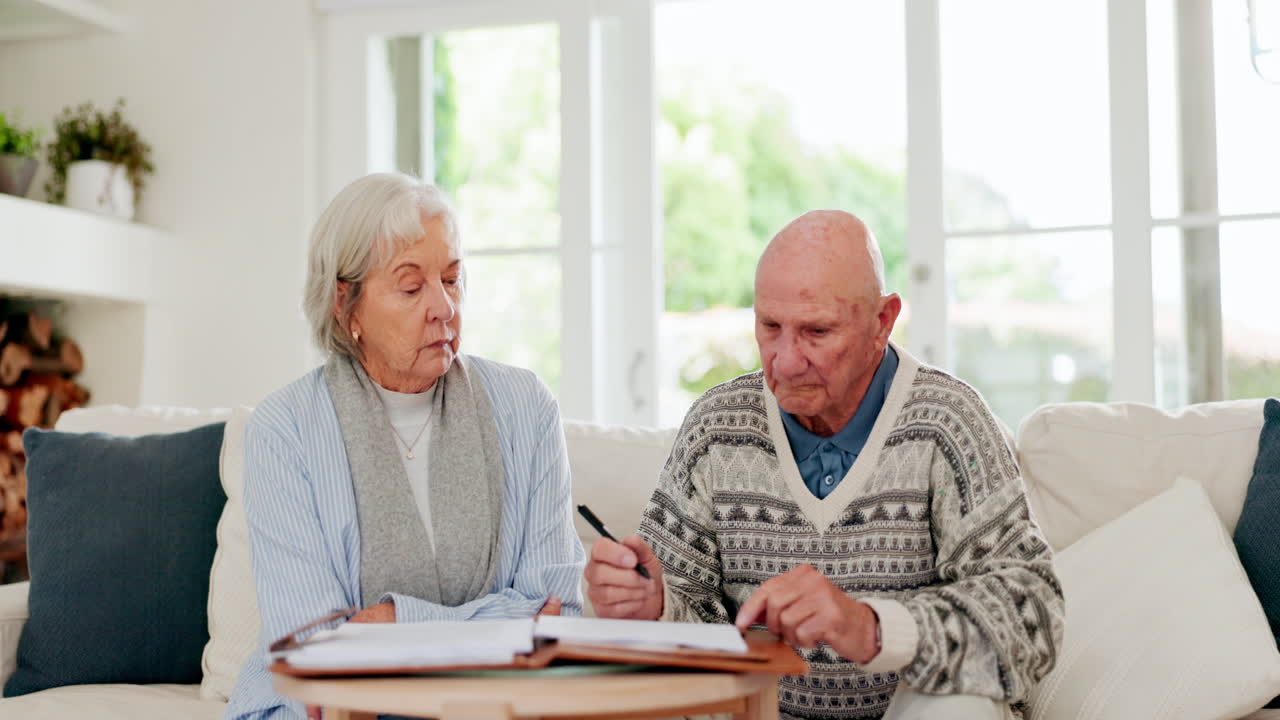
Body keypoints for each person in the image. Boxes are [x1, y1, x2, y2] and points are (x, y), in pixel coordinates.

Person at [584, 210, 1063, 719]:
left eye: (816, 332)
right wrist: (653, 607)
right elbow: (689, 633)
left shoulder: (949, 423)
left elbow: (1032, 616)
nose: (785, 361)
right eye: (770, 326)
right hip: (760, 712)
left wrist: (871, 628)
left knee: (960, 708)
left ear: (882, 322)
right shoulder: (716, 426)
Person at [227, 173, 585, 720]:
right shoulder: (285, 429)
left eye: (452, 279)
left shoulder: (525, 407)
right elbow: (318, 654)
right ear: (347, 309)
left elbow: (557, 615)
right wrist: (489, 627)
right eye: (412, 287)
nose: (443, 307)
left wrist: (394, 623)